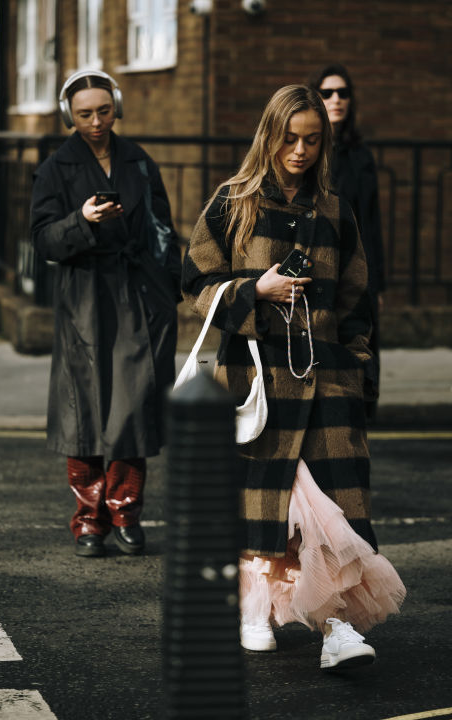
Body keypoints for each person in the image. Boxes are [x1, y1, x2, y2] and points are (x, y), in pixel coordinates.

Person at [182, 85, 405, 669]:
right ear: (269, 134)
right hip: (258, 381)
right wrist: (255, 289)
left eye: (311, 139)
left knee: (330, 507)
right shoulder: (234, 201)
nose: (300, 150)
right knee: (277, 503)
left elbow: (357, 298)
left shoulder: (334, 209)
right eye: (290, 137)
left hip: (325, 382)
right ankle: (257, 609)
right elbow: (194, 282)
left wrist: (354, 360)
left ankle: (336, 627)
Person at [30, 70, 181, 558]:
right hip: (85, 299)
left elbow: (163, 229)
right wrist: (83, 221)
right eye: (84, 114)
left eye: (104, 111)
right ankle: (89, 520)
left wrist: (170, 292)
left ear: (117, 106)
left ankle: (126, 513)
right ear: (68, 115)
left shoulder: (138, 161)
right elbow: (44, 240)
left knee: (133, 410)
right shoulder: (57, 167)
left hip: (138, 296)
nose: (96, 122)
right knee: (85, 410)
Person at [309, 63, 386, 417]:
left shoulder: (361, 156)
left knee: (360, 349)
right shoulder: (307, 152)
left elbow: (371, 222)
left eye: (342, 93)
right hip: (318, 266)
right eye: (327, 93)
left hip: (357, 266)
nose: (336, 99)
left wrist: (378, 285)